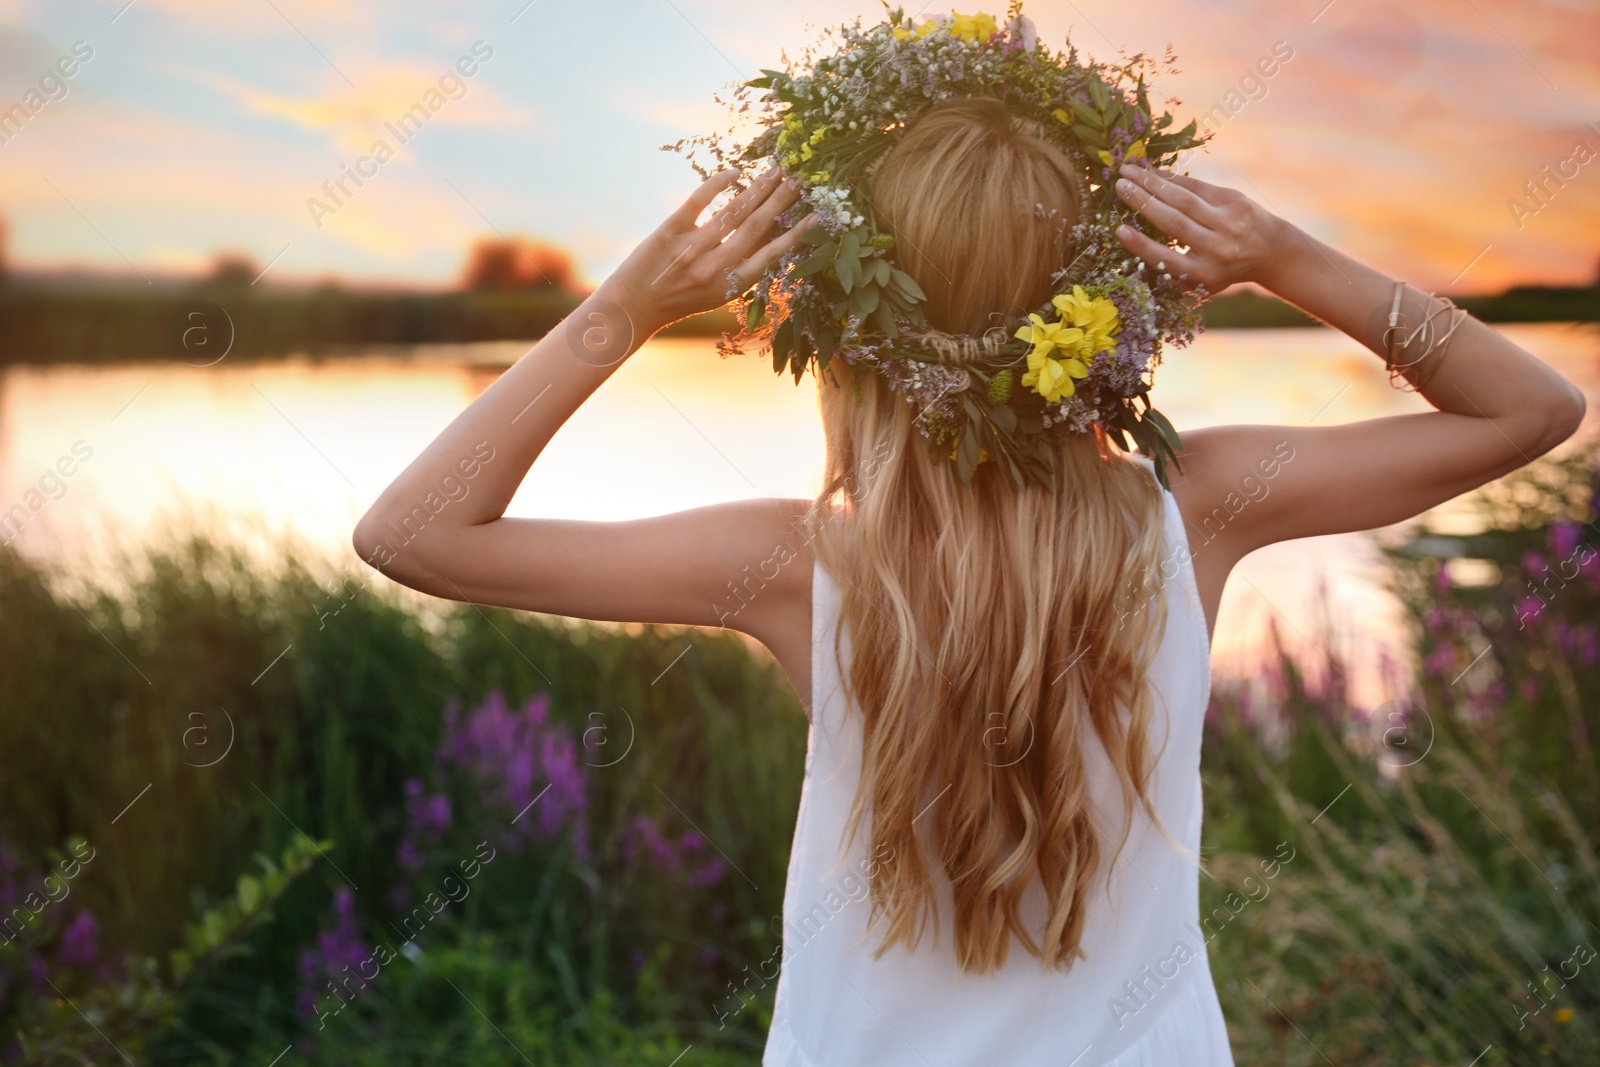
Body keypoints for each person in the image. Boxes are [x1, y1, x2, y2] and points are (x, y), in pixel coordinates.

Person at [353, 99, 1585, 1067]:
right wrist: (1283, 256)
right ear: (1111, 304)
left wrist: (623, 308)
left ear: (847, 321)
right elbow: (1530, 408)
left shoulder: (795, 562)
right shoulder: (1198, 507)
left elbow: (413, 533)